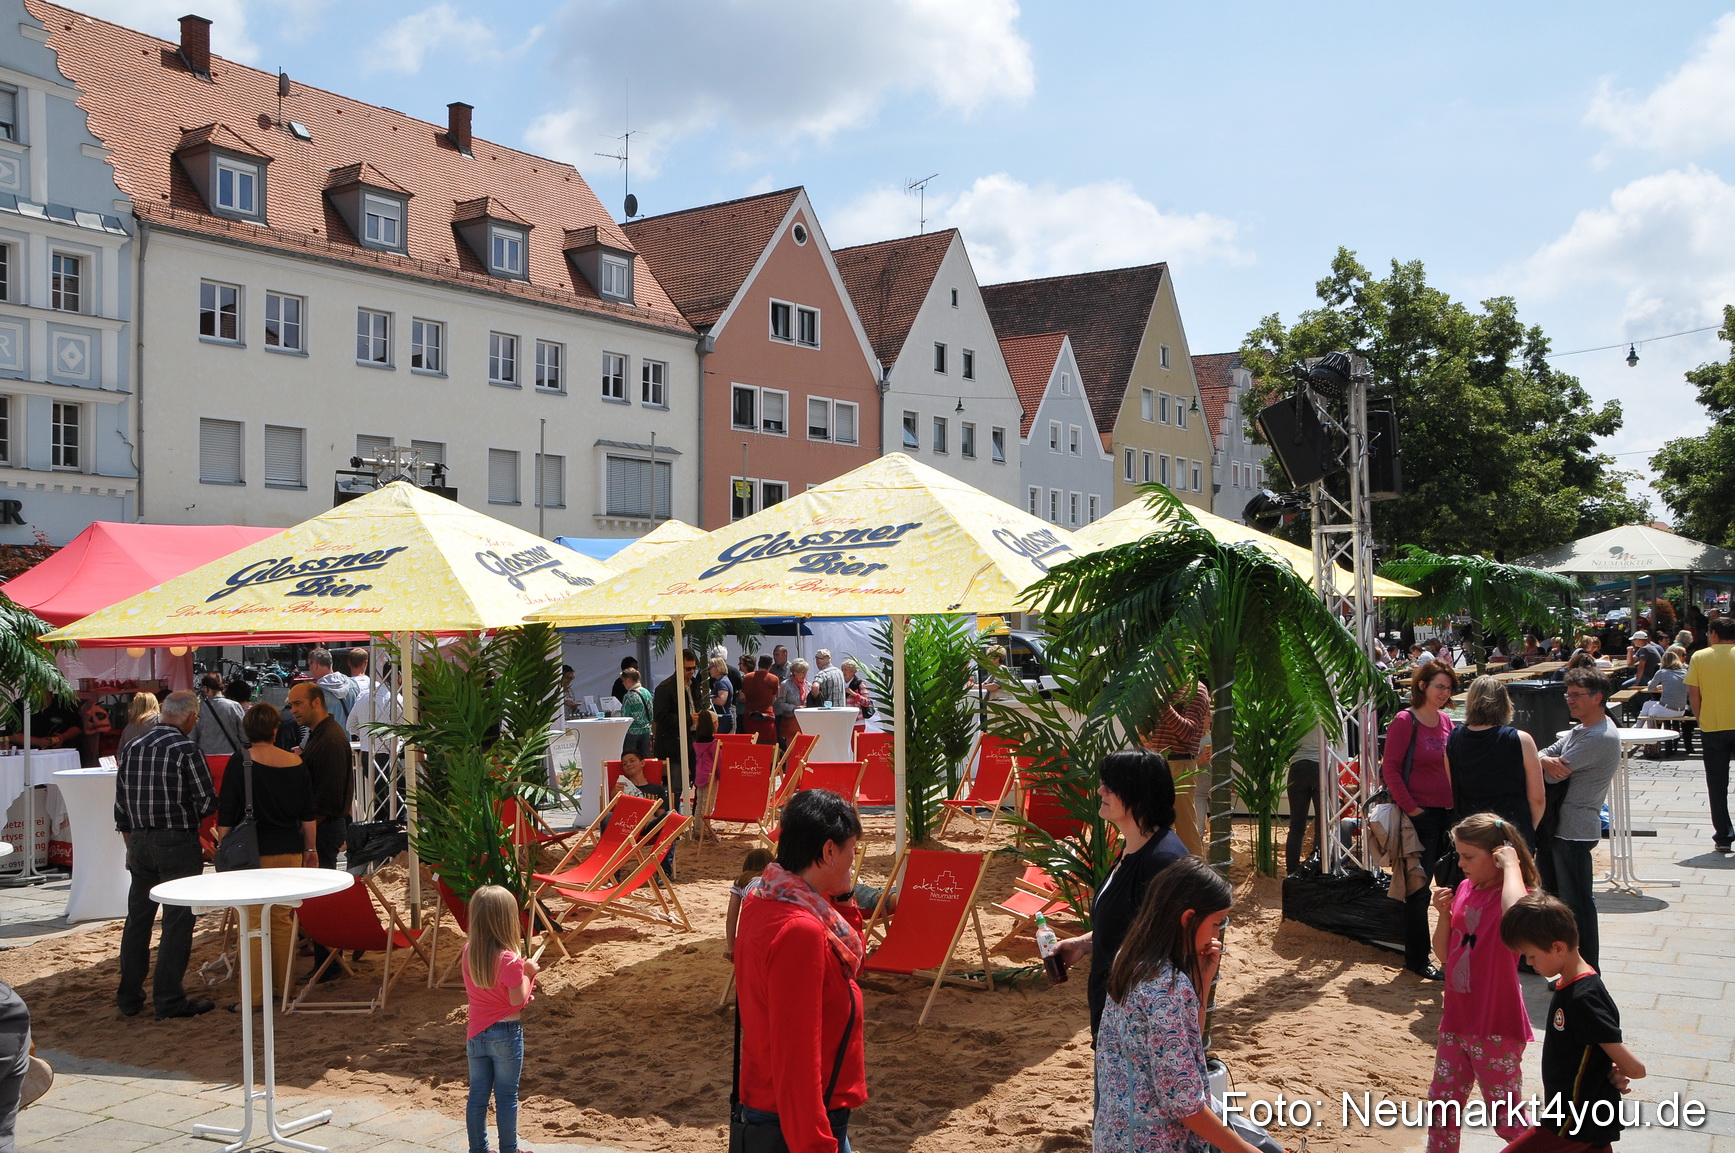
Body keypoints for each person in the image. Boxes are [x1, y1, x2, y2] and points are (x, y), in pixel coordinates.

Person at [733, 789, 867, 1153]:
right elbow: (796, 1054)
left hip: (782, 1105)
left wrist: (841, 895)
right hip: (801, 1117)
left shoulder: (768, 896)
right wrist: (813, 1143)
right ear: (828, 851)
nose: (852, 865)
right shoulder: (800, 929)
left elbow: (850, 953)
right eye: (851, 854)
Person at [1094, 857, 1257, 1153]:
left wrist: (1203, 980)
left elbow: (1179, 1044)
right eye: (1216, 923)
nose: (1216, 934)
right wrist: (1246, 1150)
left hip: (1116, 1133)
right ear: (1188, 918)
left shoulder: (1131, 960)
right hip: (1155, 1142)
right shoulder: (1166, 986)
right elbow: (1184, 1103)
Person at [1051, 750, 1189, 1038]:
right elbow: (1132, 925)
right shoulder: (1134, 849)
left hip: (1137, 1027)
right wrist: (1086, 943)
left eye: (1110, 785)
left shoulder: (1162, 860)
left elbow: (1164, 946)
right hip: (1116, 1017)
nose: (1100, 790)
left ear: (1138, 794)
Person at [1498, 894, 1647, 1153]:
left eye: (1531, 956)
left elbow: (1635, 1069)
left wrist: (1619, 1067)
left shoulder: (1583, 998)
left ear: (1558, 947)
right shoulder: (1572, 983)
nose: (1529, 963)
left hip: (1572, 1120)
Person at [1425, 814, 1538, 1153]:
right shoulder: (1463, 889)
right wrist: (1444, 914)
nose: (1460, 864)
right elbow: (1444, 954)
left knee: (1506, 1117)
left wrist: (1513, 867)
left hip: (1495, 1025)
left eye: (1468, 856)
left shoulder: (1515, 895)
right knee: (1442, 1107)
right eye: (1458, 854)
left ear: (1500, 854)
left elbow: (1518, 910)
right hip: (1457, 1021)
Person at [113, 690, 216, 1020]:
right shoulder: (186, 749)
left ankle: (129, 996)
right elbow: (206, 802)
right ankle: (169, 998)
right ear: (190, 717)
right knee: (176, 921)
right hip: (176, 842)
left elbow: (121, 807)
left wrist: (131, 845)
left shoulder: (133, 746)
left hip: (140, 841)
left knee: (138, 920)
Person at [215, 702, 316, 1009]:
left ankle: (254, 996)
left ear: (247, 728)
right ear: (275, 729)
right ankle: (283, 989)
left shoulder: (241, 761)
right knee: (283, 920)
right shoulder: (296, 763)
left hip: (251, 854)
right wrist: (310, 849)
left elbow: (227, 814)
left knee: (253, 923)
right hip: (289, 850)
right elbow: (307, 814)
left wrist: (223, 847)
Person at [1537, 668, 1621, 968]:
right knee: (1560, 902)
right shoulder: (1580, 729)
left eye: (1576, 694)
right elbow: (1545, 754)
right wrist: (1544, 759)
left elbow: (1552, 779)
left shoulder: (1598, 736)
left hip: (1574, 831)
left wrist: (1543, 762)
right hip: (1560, 829)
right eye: (1568, 694)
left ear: (1597, 698)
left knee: (1577, 906)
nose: (1569, 700)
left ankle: (1586, 968)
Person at [1382, 659, 1457, 980]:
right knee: (1418, 889)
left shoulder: (1446, 721)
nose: (1444, 693)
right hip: (1419, 817)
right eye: (1439, 686)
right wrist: (1413, 809)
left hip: (1448, 817)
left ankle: (1450, 952)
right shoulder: (1405, 720)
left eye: (1449, 687)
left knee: (1451, 886)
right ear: (1422, 685)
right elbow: (1390, 769)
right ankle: (1416, 958)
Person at [462, 885, 539, 1153]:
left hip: (476, 1033)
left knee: (478, 1097)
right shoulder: (509, 960)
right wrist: (530, 973)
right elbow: (518, 1000)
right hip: (506, 1033)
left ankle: (478, 1149)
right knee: (506, 1096)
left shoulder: (469, 951)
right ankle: (509, 1148)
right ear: (506, 919)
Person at [288, 682, 352, 980]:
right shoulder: (322, 735)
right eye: (291, 705)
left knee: (321, 897)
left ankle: (329, 963)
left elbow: (328, 797)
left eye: (297, 704)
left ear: (316, 702)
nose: (293, 710)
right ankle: (326, 960)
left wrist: (310, 836)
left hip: (325, 828)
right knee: (318, 896)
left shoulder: (329, 739)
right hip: (323, 826)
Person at [1447, 677, 1545, 849]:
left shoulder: (1454, 738)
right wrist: (1529, 830)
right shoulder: (1521, 740)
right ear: (1504, 703)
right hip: (1512, 831)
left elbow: (1453, 788)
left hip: (1472, 833)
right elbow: (1537, 799)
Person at [1140, 679, 1211, 856]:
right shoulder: (1160, 686)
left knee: (1185, 825)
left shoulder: (1196, 690)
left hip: (1180, 763)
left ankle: (1196, 879)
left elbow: (1188, 733)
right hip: (1156, 762)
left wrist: (1163, 705)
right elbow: (1145, 730)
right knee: (1153, 825)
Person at [1687, 616, 1735, 851]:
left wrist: (1700, 718)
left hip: (1713, 726)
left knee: (1717, 784)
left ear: (1713, 634)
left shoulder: (1700, 657)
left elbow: (1694, 695)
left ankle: (1723, 836)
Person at [653, 650, 702, 811]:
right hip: (673, 742)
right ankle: (673, 822)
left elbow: (696, 705)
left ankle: (697, 819)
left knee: (700, 781)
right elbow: (660, 717)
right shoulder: (665, 688)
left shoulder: (694, 683)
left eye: (693, 668)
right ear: (677, 666)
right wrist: (689, 719)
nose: (691, 672)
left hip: (694, 738)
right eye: (688, 668)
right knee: (675, 786)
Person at [723, 846, 774, 962]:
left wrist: (731, 949)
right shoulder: (776, 880)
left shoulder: (741, 881)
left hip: (753, 927)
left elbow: (731, 917)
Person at [190, 671, 248, 761]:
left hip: (206, 756)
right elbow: (244, 735)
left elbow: (192, 736)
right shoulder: (234, 706)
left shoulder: (198, 708)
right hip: (231, 755)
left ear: (205, 688)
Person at [1285, 737, 1321, 876]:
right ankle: (1316, 868)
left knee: (1296, 825)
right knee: (1321, 825)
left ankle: (1291, 872)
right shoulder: (1331, 713)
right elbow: (1341, 744)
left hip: (1297, 767)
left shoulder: (1293, 713)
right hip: (1320, 766)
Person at [1637, 646, 1690, 726]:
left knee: (1650, 711)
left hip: (1668, 709)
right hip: (1681, 710)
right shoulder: (1685, 672)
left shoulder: (1661, 672)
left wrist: (1656, 685)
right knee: (1646, 704)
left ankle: (1649, 734)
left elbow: (1650, 688)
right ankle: (1638, 728)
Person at [307, 648, 358, 730]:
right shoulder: (353, 685)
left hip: (329, 740)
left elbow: (313, 723)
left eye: (309, 664)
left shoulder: (317, 692)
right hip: (354, 741)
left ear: (315, 665)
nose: (309, 669)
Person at [742, 654, 781, 746]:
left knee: (751, 745)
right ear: (770, 666)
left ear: (758, 664)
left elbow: (743, 696)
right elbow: (774, 698)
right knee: (768, 747)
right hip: (766, 717)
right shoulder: (774, 679)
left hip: (750, 716)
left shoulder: (747, 677)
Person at [618, 668, 653, 758]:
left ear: (628, 680)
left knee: (630, 758)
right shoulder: (647, 692)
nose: (623, 683)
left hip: (632, 732)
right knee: (644, 758)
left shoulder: (629, 696)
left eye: (623, 681)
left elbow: (625, 716)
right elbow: (651, 713)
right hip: (646, 731)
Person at [776, 658, 811, 748]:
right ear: (795, 672)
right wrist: (794, 707)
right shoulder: (786, 684)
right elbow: (780, 703)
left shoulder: (808, 685)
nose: (804, 674)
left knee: (804, 749)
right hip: (791, 722)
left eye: (805, 672)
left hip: (805, 722)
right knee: (792, 751)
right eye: (802, 672)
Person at [709, 655, 738, 736]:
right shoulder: (722, 681)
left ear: (717, 668)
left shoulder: (722, 682)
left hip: (723, 718)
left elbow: (721, 701)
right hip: (724, 717)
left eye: (711, 667)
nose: (709, 670)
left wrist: (710, 699)